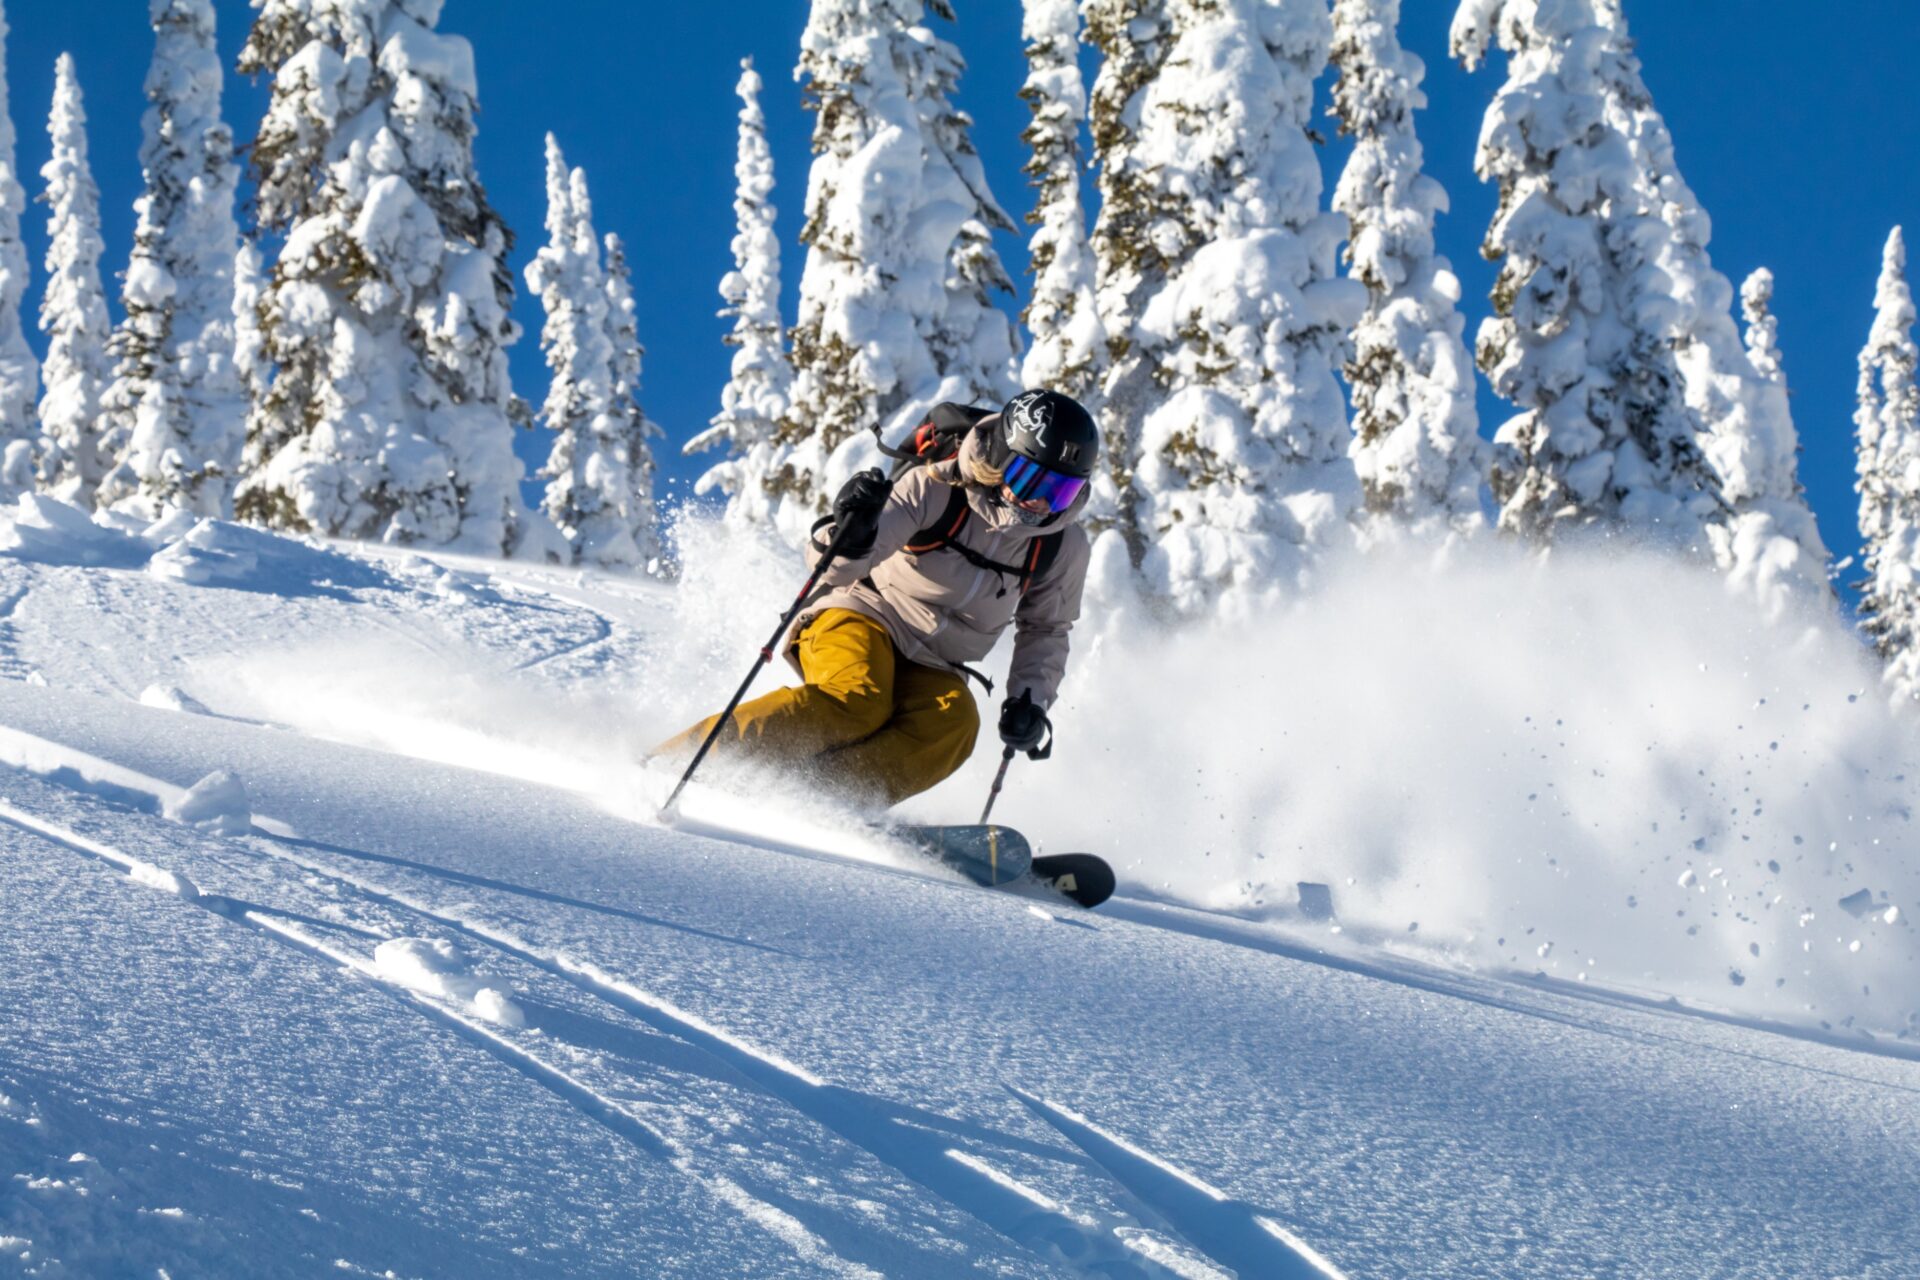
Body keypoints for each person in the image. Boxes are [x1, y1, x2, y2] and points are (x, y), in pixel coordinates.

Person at [659, 389, 1099, 808]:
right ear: (1002, 459)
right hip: (862, 613)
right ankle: (684, 761)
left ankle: (824, 800)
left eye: (1060, 492)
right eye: (1030, 480)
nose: (1041, 504)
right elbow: (836, 567)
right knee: (858, 698)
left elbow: (1047, 628)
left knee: (954, 726)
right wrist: (852, 531)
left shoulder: (1063, 546)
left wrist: (1030, 700)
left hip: (938, 662)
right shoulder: (934, 488)